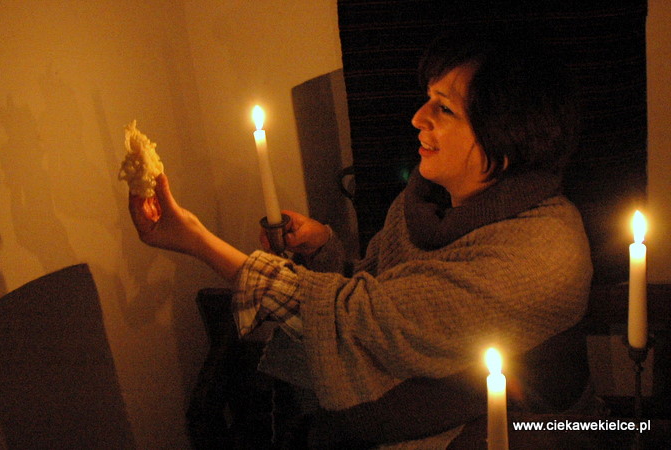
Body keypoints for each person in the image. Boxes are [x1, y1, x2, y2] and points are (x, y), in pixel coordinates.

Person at [130, 28, 596, 448]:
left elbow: (362, 318)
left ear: (505, 141)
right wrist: (323, 250)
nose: (418, 118)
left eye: (444, 108)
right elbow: (386, 290)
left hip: (516, 429)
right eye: (427, 99)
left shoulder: (539, 254)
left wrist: (197, 240)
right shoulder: (426, 204)